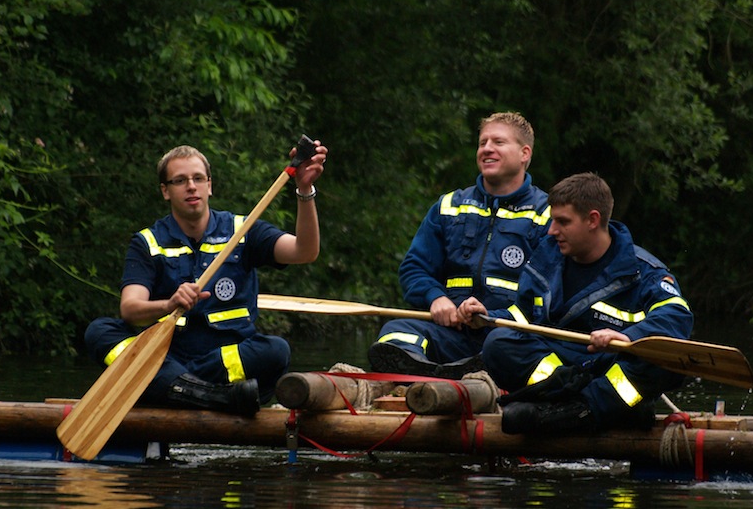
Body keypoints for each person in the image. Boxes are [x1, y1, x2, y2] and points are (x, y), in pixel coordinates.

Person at [85, 140, 328, 415]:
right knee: (99, 332)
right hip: (168, 359)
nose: (191, 186)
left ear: (209, 185)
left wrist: (304, 190)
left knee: (276, 350)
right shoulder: (148, 242)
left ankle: (176, 390)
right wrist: (168, 304)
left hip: (223, 364)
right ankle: (210, 396)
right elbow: (130, 310)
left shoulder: (243, 230)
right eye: (180, 180)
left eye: (198, 178)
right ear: (165, 191)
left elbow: (305, 251)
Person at [479, 172, 693, 434]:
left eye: (563, 222)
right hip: (563, 367)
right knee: (498, 344)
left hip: (610, 364)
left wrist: (628, 337)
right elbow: (522, 317)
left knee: (662, 365)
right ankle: (582, 408)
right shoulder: (546, 256)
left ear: (593, 220)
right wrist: (485, 316)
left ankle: (583, 409)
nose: (552, 231)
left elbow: (677, 317)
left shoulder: (643, 271)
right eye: (552, 220)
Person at [368, 112, 551, 379]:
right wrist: (436, 298)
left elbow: (547, 298)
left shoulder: (547, 215)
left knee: (502, 347)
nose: (487, 149)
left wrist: (489, 315)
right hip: (451, 334)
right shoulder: (450, 206)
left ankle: (458, 377)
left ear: (524, 153)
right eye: (482, 142)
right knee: (395, 332)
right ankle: (429, 376)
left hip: (508, 336)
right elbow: (413, 269)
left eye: (498, 142)